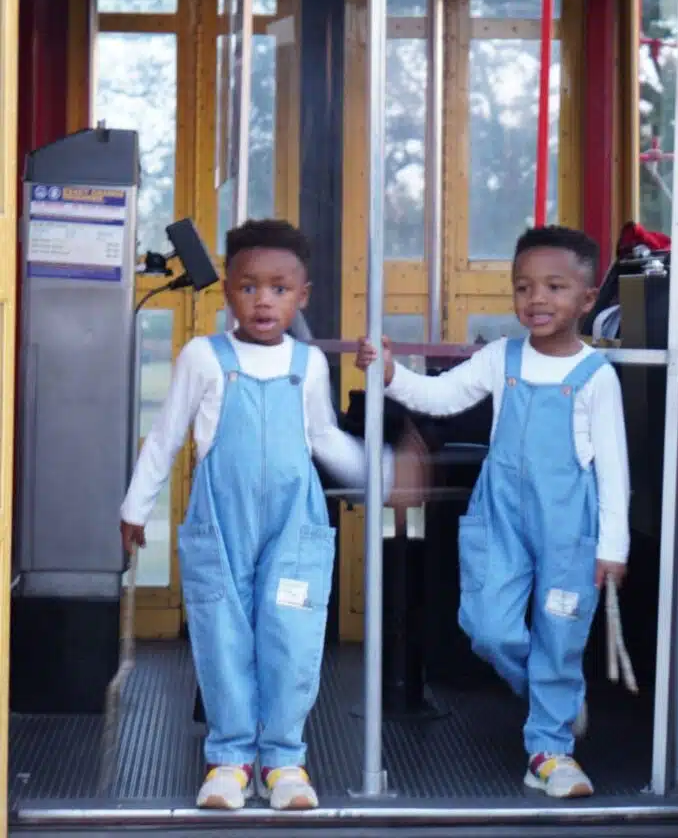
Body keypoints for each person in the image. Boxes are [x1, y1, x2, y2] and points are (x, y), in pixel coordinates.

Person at [121, 219, 422, 813]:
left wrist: (384, 476)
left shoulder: (308, 364)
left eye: (279, 289)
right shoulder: (203, 357)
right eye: (249, 286)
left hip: (294, 527)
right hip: (220, 526)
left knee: (292, 633)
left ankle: (284, 758)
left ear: (301, 295)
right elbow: (166, 436)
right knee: (222, 635)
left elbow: (324, 439)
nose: (264, 301)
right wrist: (136, 507)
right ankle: (230, 759)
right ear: (227, 290)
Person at [356, 226, 630, 799]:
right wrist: (391, 373)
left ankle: (550, 751)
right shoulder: (500, 358)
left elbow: (613, 469)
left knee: (561, 635)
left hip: (570, 530)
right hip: (500, 517)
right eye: (523, 287)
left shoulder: (596, 376)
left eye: (554, 287)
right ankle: (549, 692)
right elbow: (442, 397)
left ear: (587, 299)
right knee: (487, 628)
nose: (537, 299)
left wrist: (613, 546)